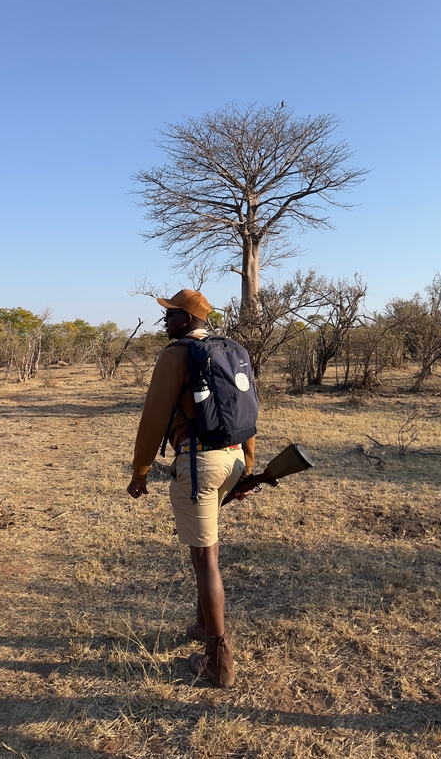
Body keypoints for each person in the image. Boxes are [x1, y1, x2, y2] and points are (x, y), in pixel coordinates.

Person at [127, 289, 255, 688]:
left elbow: (153, 418)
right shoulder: (232, 349)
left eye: (170, 315)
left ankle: (219, 659)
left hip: (199, 464)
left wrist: (140, 470)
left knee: (205, 560)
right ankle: (203, 625)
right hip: (232, 458)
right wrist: (247, 466)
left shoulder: (176, 355)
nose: (165, 322)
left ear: (186, 319)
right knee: (208, 546)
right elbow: (250, 409)